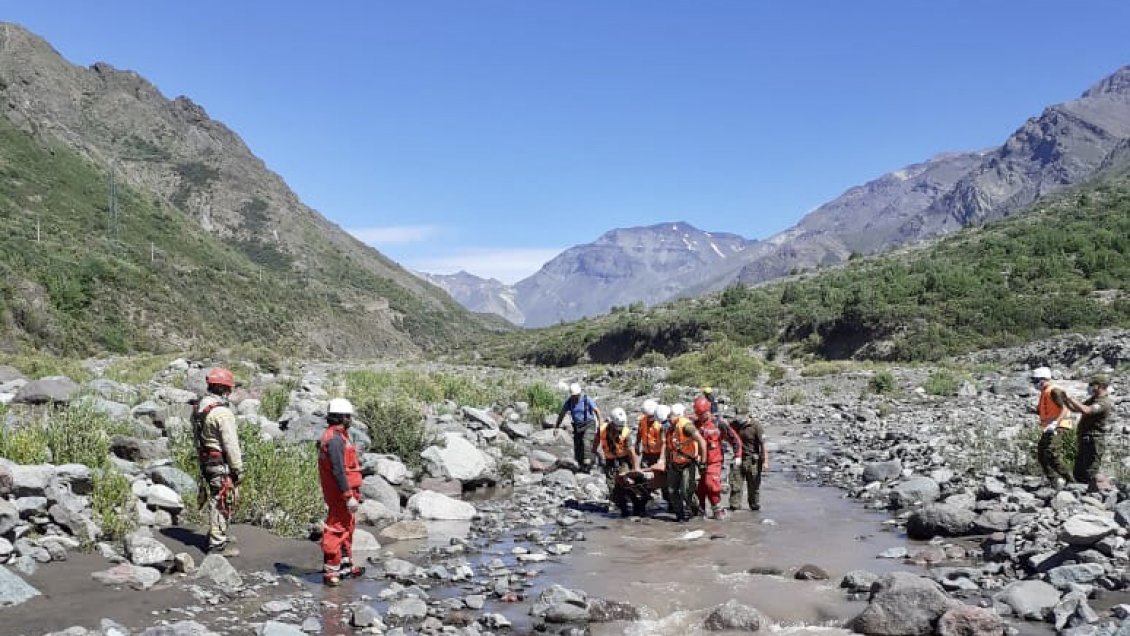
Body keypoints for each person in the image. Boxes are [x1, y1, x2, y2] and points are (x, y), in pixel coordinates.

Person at [191, 367, 243, 556]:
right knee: (223, 500)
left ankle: (217, 533)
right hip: (220, 463)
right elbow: (231, 444)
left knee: (217, 497)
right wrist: (237, 469)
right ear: (224, 389)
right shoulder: (222, 413)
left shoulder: (199, 408)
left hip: (206, 460)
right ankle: (217, 544)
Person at [318, 398, 366, 587]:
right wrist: (348, 496)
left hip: (344, 492)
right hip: (340, 494)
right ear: (343, 417)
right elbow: (338, 470)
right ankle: (331, 571)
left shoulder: (337, 436)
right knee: (336, 529)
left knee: (347, 527)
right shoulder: (335, 440)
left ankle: (345, 565)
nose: (350, 420)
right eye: (349, 417)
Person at [1063, 374, 1114, 488]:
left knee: (1089, 471)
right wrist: (1065, 400)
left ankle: (1095, 493)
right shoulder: (1093, 399)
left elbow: (1086, 410)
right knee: (1079, 471)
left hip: (1094, 441)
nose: (1090, 387)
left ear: (1100, 386)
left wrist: (1071, 398)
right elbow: (1076, 409)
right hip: (1085, 439)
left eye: (1092, 385)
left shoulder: (1103, 403)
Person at [692, 397, 736, 520]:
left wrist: (737, 455)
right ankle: (700, 510)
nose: (700, 416)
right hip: (699, 461)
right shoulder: (695, 424)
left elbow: (734, 439)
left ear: (708, 411)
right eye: (698, 414)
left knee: (711, 484)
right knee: (700, 487)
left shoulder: (718, 424)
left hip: (714, 461)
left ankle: (717, 509)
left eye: (702, 414)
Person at [661, 402, 706, 522]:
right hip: (674, 463)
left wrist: (703, 462)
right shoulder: (669, 429)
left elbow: (702, 442)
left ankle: (696, 509)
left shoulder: (686, 426)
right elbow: (668, 447)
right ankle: (680, 516)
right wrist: (666, 462)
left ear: (676, 415)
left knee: (686, 492)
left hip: (688, 463)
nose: (668, 419)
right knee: (672, 490)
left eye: (670, 417)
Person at [1031, 366, 1074, 487]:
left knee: (1051, 453)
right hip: (1049, 427)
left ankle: (1071, 481)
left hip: (1059, 426)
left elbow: (1065, 408)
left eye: (1036, 381)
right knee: (1042, 454)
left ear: (1043, 379)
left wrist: (1055, 423)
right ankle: (1054, 482)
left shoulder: (1054, 390)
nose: (1034, 384)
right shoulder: (1045, 392)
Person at [594, 407, 640, 512]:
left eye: (620, 427)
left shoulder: (625, 433)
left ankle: (636, 505)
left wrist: (635, 468)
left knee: (626, 482)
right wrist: (594, 451)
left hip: (623, 460)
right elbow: (597, 439)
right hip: (610, 461)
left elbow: (631, 451)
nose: (619, 430)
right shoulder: (602, 429)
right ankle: (621, 506)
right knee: (612, 485)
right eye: (617, 427)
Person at [555, 383, 603, 471]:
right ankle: (580, 464)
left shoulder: (586, 399)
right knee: (578, 447)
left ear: (579, 393)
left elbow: (597, 411)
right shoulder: (569, 402)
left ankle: (587, 464)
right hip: (577, 427)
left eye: (576, 395)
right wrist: (557, 426)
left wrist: (601, 424)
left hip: (589, 424)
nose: (575, 397)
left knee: (586, 441)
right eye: (573, 396)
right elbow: (562, 414)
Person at [728, 409, 768, 511]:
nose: (739, 417)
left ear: (747, 415)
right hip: (738, 458)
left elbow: (763, 445)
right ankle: (734, 506)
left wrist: (765, 461)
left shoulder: (756, 426)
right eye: (738, 415)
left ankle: (754, 506)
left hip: (752, 460)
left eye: (741, 415)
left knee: (754, 486)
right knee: (735, 484)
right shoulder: (733, 425)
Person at [635, 399, 668, 505]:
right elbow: (639, 433)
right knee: (642, 478)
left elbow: (664, 443)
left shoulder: (660, 424)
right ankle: (644, 502)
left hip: (658, 454)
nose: (649, 418)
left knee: (664, 480)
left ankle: (670, 503)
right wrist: (637, 444)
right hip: (646, 454)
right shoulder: (642, 420)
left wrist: (661, 459)